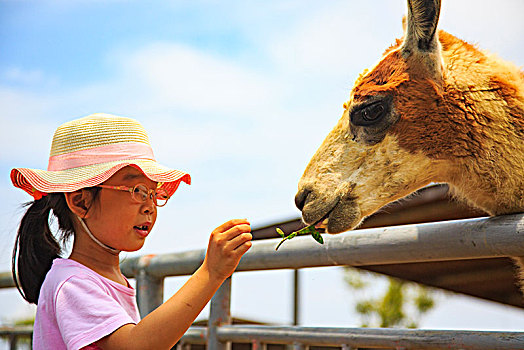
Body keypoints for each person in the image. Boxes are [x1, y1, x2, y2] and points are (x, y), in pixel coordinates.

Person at [10, 113, 253, 349]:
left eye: (153, 192)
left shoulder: (102, 278)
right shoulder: (73, 283)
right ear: (81, 202)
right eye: (137, 190)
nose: (149, 206)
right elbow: (136, 345)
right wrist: (211, 272)